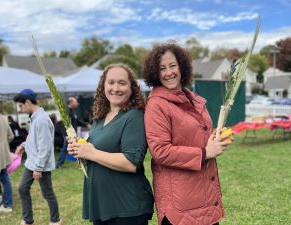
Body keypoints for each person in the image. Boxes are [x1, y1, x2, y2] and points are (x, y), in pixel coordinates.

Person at [143, 43, 233, 225]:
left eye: (172, 65)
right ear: (155, 73)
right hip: (182, 203)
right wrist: (205, 153)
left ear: (182, 66)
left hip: (204, 195)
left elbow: (194, 134)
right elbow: (160, 151)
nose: (168, 72)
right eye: (162, 68)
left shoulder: (191, 98)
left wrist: (216, 136)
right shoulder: (156, 105)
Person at [68, 64, 154, 225]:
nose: (116, 88)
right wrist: (79, 149)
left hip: (126, 207)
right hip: (102, 204)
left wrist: (91, 153)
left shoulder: (134, 117)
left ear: (131, 87)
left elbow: (131, 162)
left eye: (122, 83)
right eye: (111, 82)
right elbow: (94, 153)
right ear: (103, 86)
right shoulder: (99, 118)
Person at [14, 89, 62, 225]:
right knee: (22, 188)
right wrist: (23, 145)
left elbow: (45, 146)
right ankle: (28, 220)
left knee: (47, 193)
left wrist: (39, 167)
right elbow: (33, 139)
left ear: (28, 102)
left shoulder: (41, 120)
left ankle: (56, 220)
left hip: (41, 165)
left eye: (21, 105)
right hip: (31, 163)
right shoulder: (35, 117)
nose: (20, 109)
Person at [56, 97, 90, 168]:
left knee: (71, 148)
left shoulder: (73, 111)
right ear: (71, 102)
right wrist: (66, 135)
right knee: (66, 148)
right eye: (76, 102)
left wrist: (86, 124)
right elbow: (63, 124)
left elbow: (77, 121)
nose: (77, 103)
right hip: (69, 135)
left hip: (72, 134)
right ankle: (59, 164)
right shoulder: (67, 112)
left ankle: (79, 162)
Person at [0, 105, 14, 213]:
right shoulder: (3, 118)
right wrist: (3, 145)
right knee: (4, 178)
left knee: (4, 178)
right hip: (3, 154)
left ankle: (7, 204)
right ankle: (6, 201)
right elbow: (11, 136)